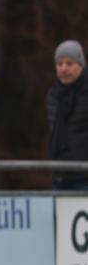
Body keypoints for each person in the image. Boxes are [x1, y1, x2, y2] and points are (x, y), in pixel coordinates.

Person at [47, 40, 88, 190]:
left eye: (69, 63)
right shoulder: (53, 95)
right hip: (60, 176)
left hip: (84, 177)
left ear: (81, 65)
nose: (64, 68)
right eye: (59, 64)